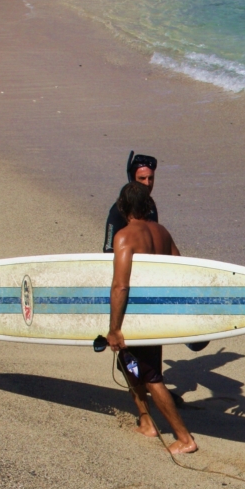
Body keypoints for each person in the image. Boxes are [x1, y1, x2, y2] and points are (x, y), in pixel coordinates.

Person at [106, 181, 197, 455]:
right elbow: (180, 270)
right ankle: (146, 421)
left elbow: (120, 285)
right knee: (129, 364)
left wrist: (114, 328)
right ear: (148, 206)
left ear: (123, 208)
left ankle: (184, 438)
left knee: (150, 375)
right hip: (155, 316)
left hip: (136, 318)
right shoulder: (162, 233)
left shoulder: (124, 237)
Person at [103, 152, 159, 254]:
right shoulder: (119, 209)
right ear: (132, 180)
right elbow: (108, 248)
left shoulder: (151, 205)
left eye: (150, 178)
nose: (147, 183)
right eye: (142, 178)